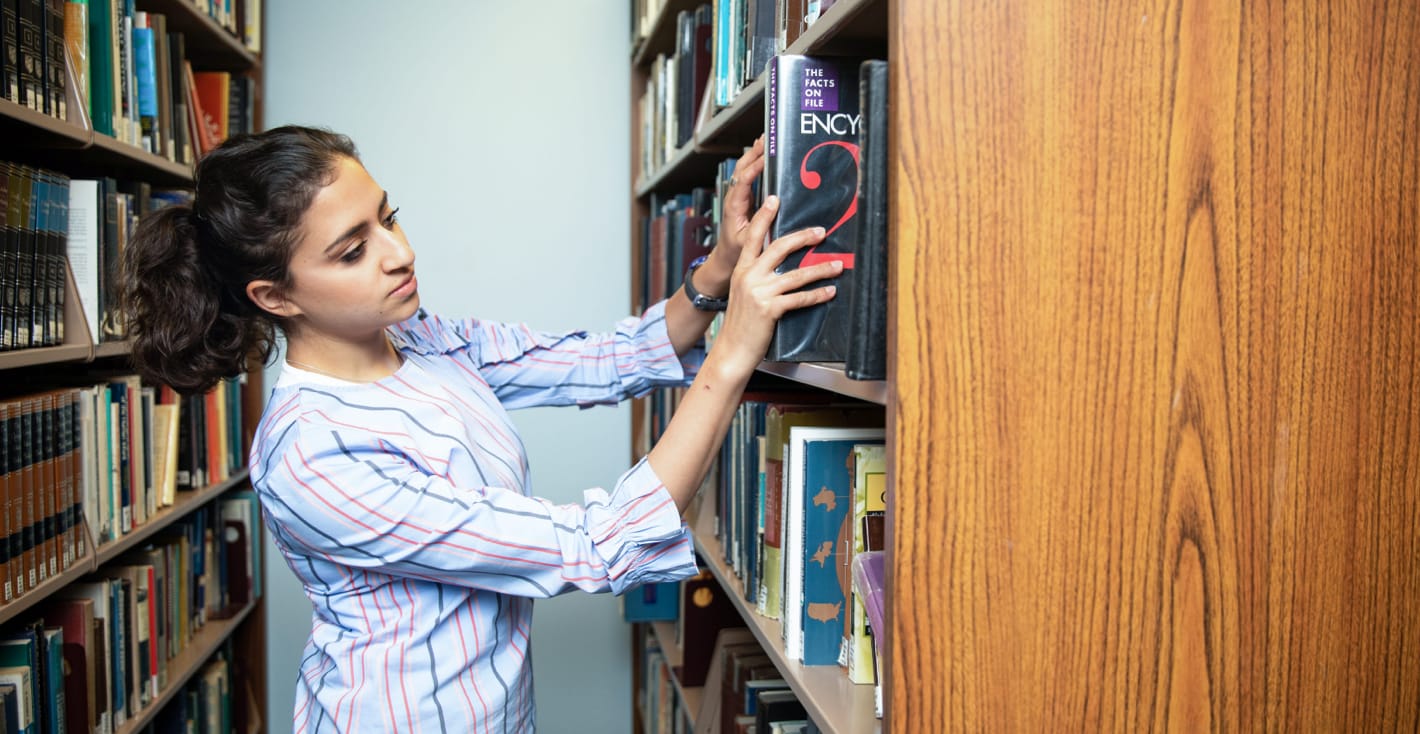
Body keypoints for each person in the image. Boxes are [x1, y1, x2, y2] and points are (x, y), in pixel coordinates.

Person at [121, 125, 841, 732]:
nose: (399, 252)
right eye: (351, 250)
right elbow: (599, 549)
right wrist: (734, 351)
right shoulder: (310, 453)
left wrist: (716, 272)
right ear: (274, 295)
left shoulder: (421, 339)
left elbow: (602, 360)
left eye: (388, 216)